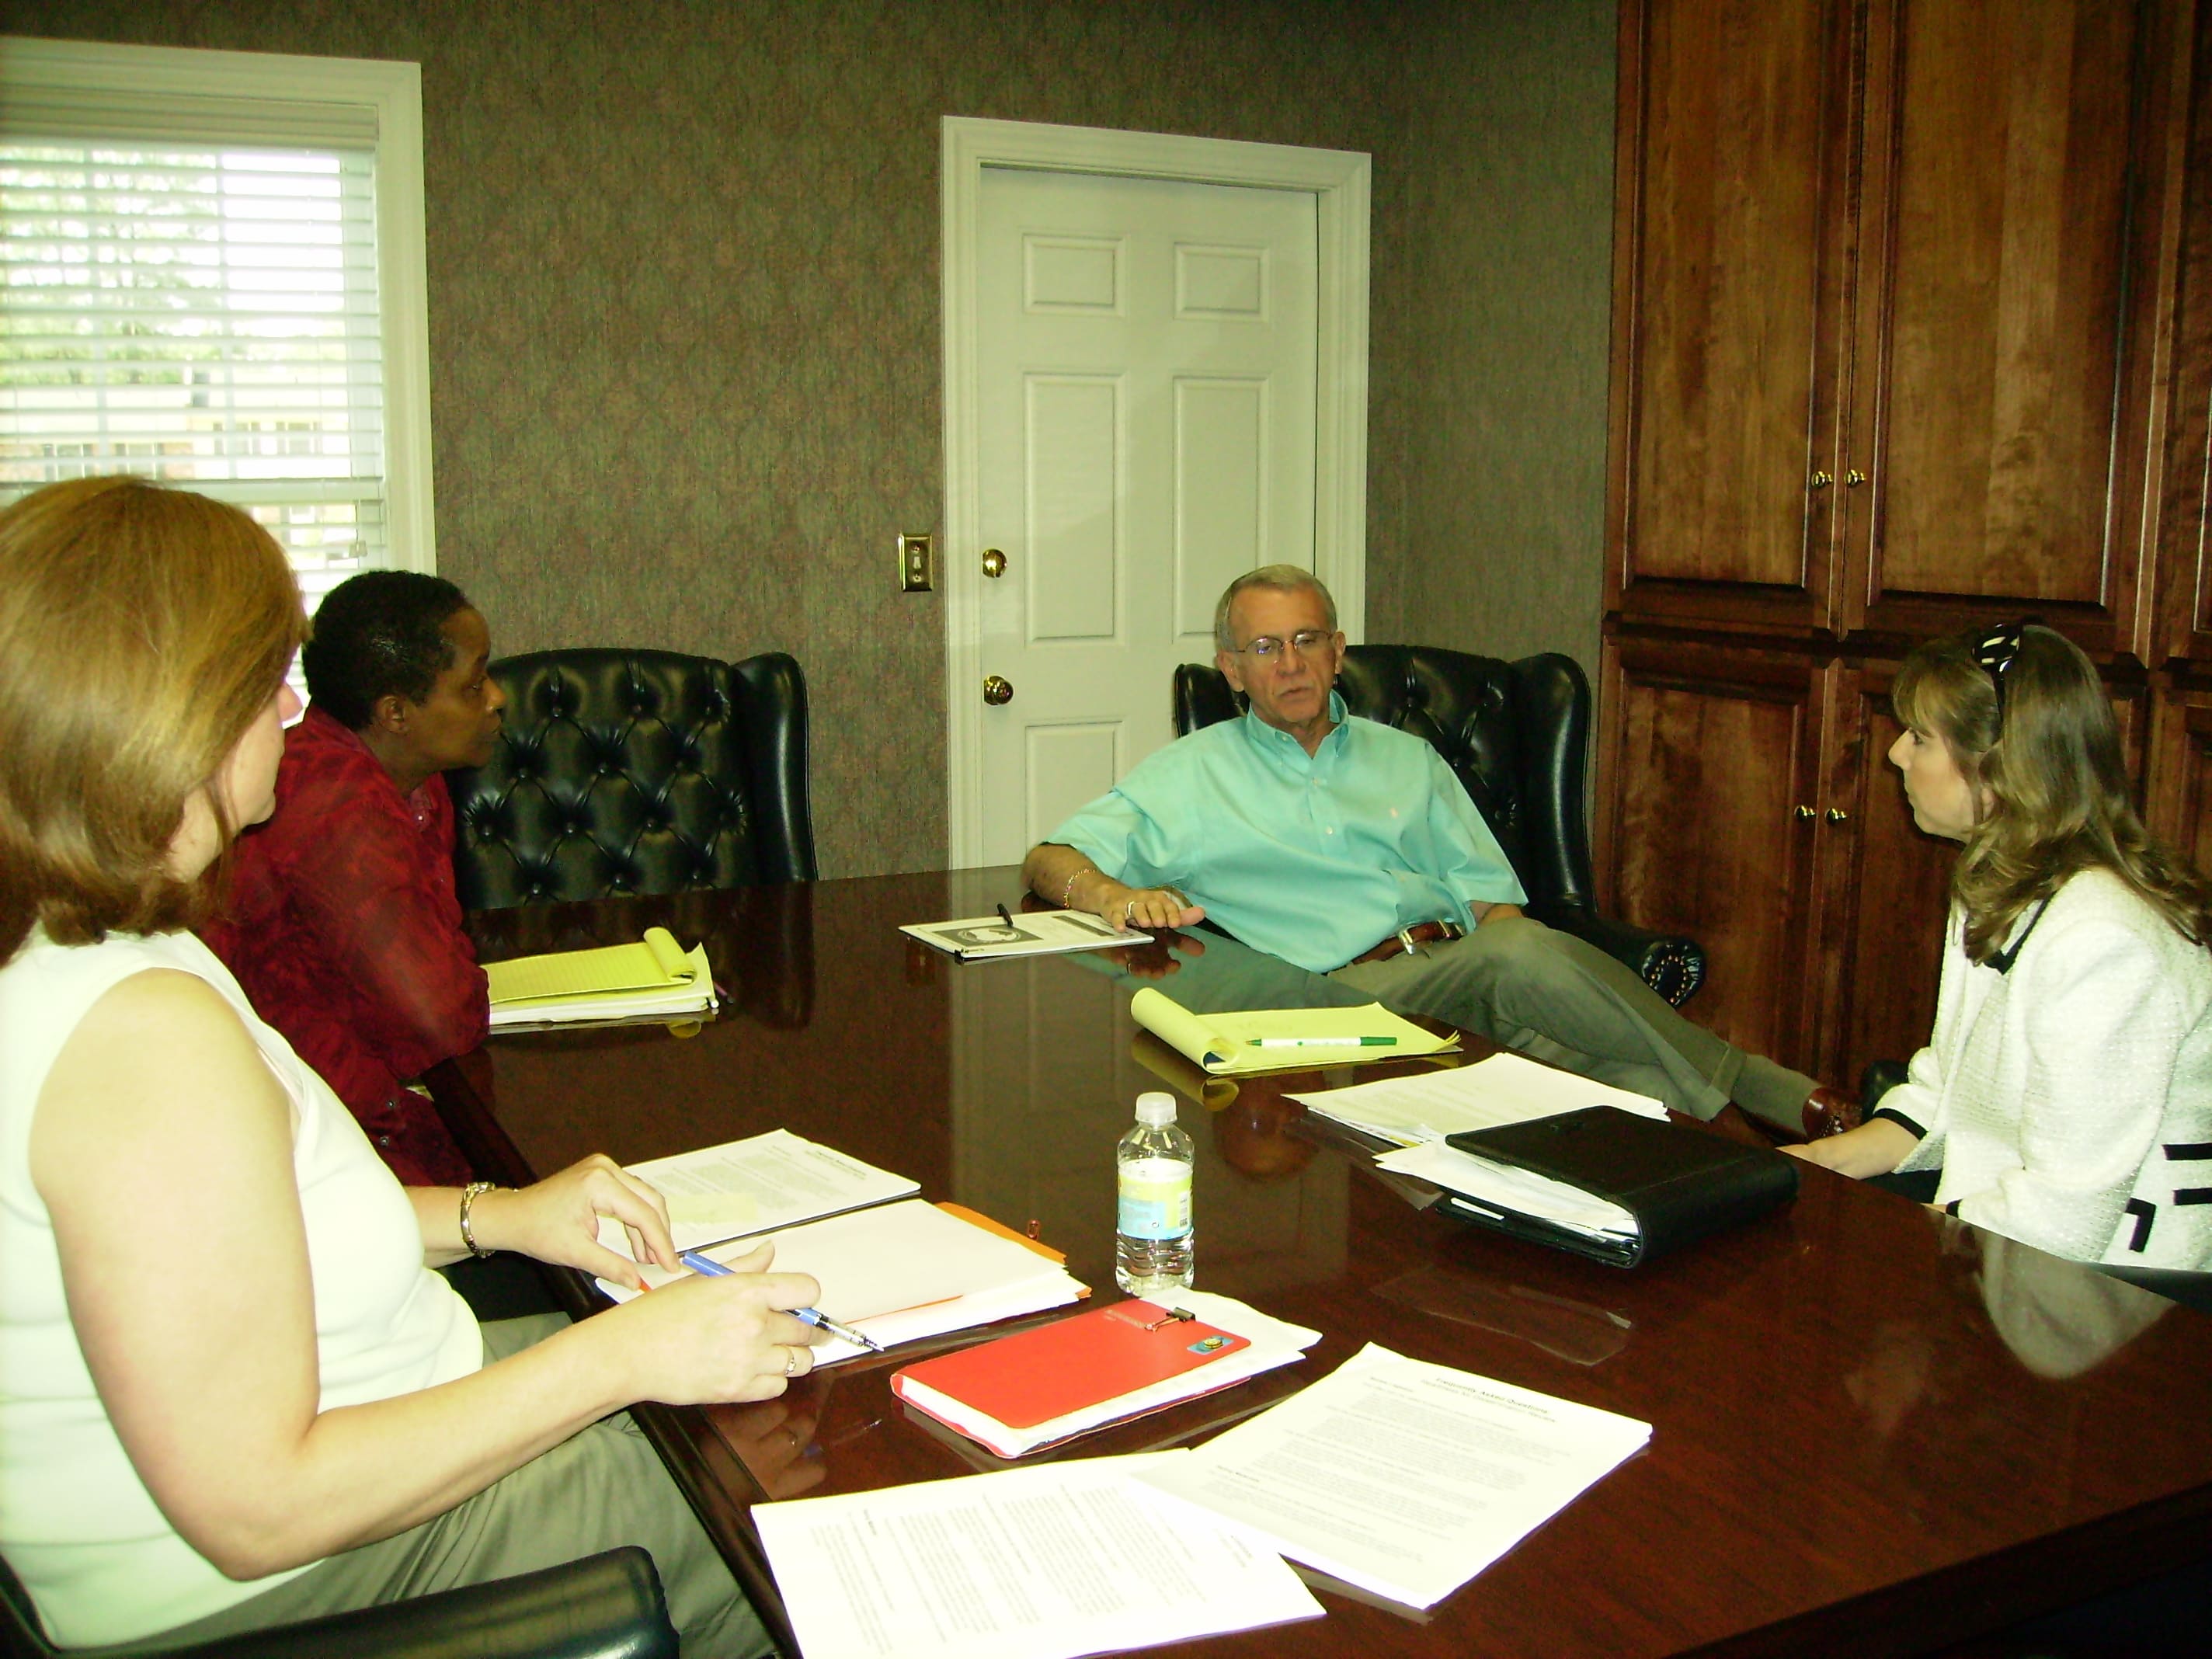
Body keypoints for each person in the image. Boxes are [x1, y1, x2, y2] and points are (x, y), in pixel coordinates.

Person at [0, 478, 812, 1654]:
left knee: (786, 1371)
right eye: (260, 680)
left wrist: (503, 1217)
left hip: (370, 1429)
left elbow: (224, 1247)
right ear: (163, 715)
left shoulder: (92, 944)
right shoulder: (142, 1039)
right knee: (832, 1495)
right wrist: (617, 1355)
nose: (290, 709)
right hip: (312, 1577)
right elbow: (255, 1508)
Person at [1021, 564, 1829, 1133]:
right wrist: (1117, 899)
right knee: (1519, 957)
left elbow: (1491, 902)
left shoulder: (1406, 758)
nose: (1291, 664)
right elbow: (1050, 857)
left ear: (1338, 651)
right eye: (1265, 649)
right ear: (1232, 672)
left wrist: (1535, 1000)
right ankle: (1763, 1092)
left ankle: (1793, 1178)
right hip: (1345, 1000)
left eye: (1306, 640)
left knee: (1638, 1077)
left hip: (1466, 971)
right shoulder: (1190, 775)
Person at [1783, 622, 2212, 1268]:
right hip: (2003, 1240)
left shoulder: (2105, 939)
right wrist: (1807, 1167)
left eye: (1921, 738)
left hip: (2126, 1294)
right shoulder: (1999, 884)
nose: (1897, 754)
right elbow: (1940, 1092)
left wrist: (1887, 1239)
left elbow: (2065, 1213)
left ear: (2003, 768)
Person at [200, 570, 506, 1186]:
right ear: (395, 712)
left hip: (368, 1097)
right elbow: (437, 1021)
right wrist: (459, 982)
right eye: (473, 685)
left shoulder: (415, 779)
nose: (497, 697)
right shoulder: (335, 804)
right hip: (313, 1141)